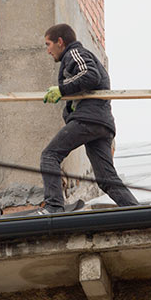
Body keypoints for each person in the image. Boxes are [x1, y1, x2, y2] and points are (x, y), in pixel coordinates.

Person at [37, 23, 139, 214]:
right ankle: (137, 212)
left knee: (49, 156)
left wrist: (62, 89)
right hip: (100, 124)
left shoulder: (75, 53)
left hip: (89, 119)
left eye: (48, 44)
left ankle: (53, 207)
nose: (48, 50)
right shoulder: (73, 58)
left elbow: (90, 75)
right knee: (106, 178)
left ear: (60, 41)